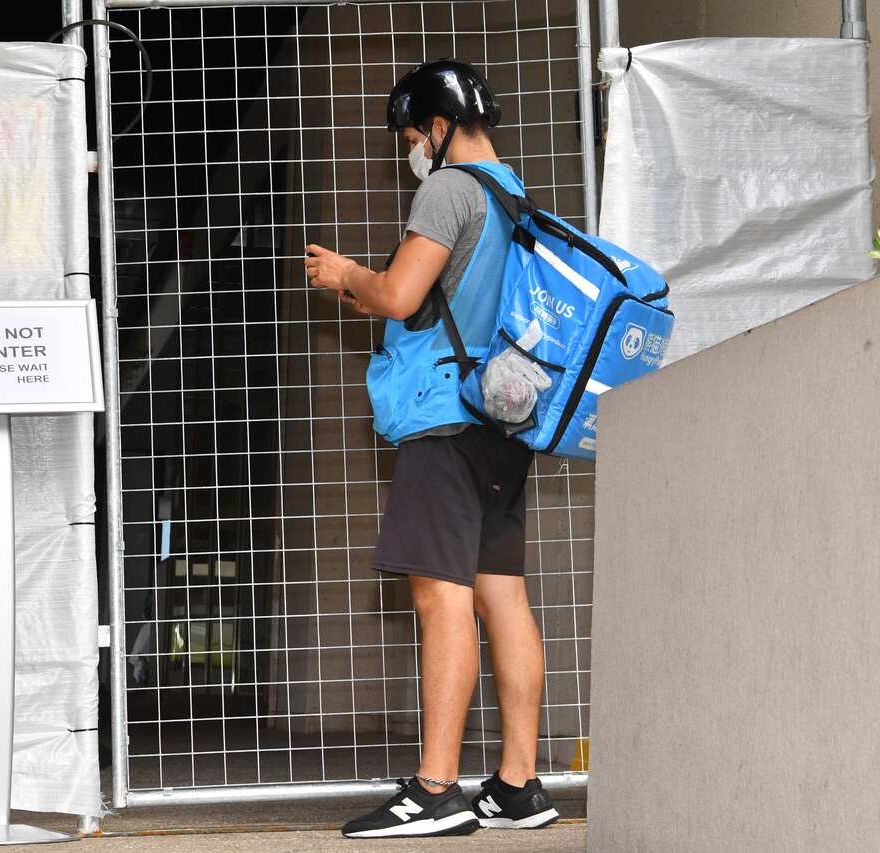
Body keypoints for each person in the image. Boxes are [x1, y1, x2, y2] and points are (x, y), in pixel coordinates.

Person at [303, 59, 560, 839]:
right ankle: (517, 785)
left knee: (438, 595)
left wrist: (345, 273)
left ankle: (436, 789)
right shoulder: (515, 193)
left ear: (440, 127)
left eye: (415, 134)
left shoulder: (449, 190)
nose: (412, 148)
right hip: (502, 418)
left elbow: (401, 296)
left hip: (443, 417)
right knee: (502, 595)